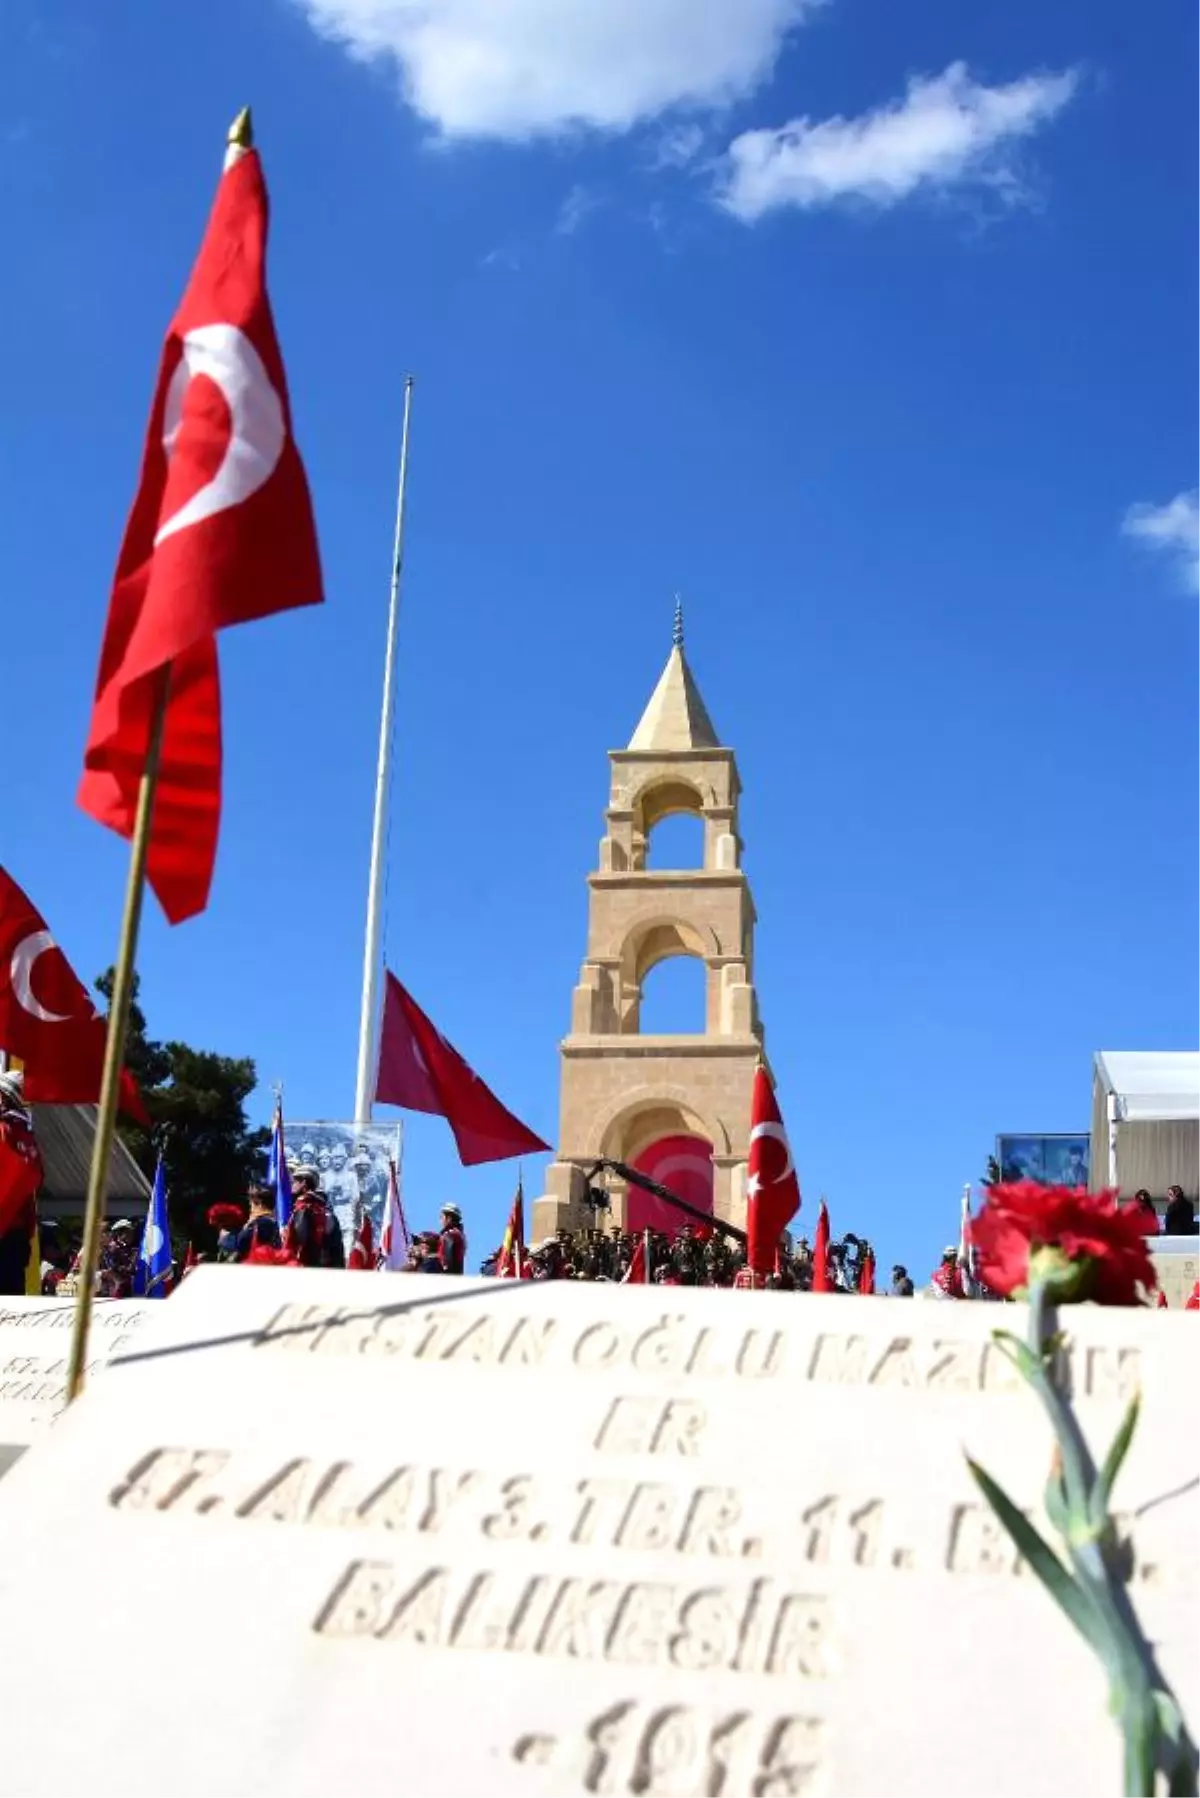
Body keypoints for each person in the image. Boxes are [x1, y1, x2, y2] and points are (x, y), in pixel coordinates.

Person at [285, 1169, 345, 1269]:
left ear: (303, 1183)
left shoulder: (302, 1208)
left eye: (294, 1182)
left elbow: (300, 1242)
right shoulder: (327, 1210)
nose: (291, 1186)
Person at [236, 1187, 282, 1262]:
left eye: (251, 1204)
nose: (251, 1209)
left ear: (260, 1204)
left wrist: (247, 1225)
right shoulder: (272, 1221)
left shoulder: (261, 1222)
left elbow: (241, 1241)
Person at [438, 1203, 466, 1275]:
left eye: (441, 1217)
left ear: (449, 1218)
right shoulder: (459, 1235)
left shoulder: (450, 1235)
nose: (440, 1220)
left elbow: (447, 1261)